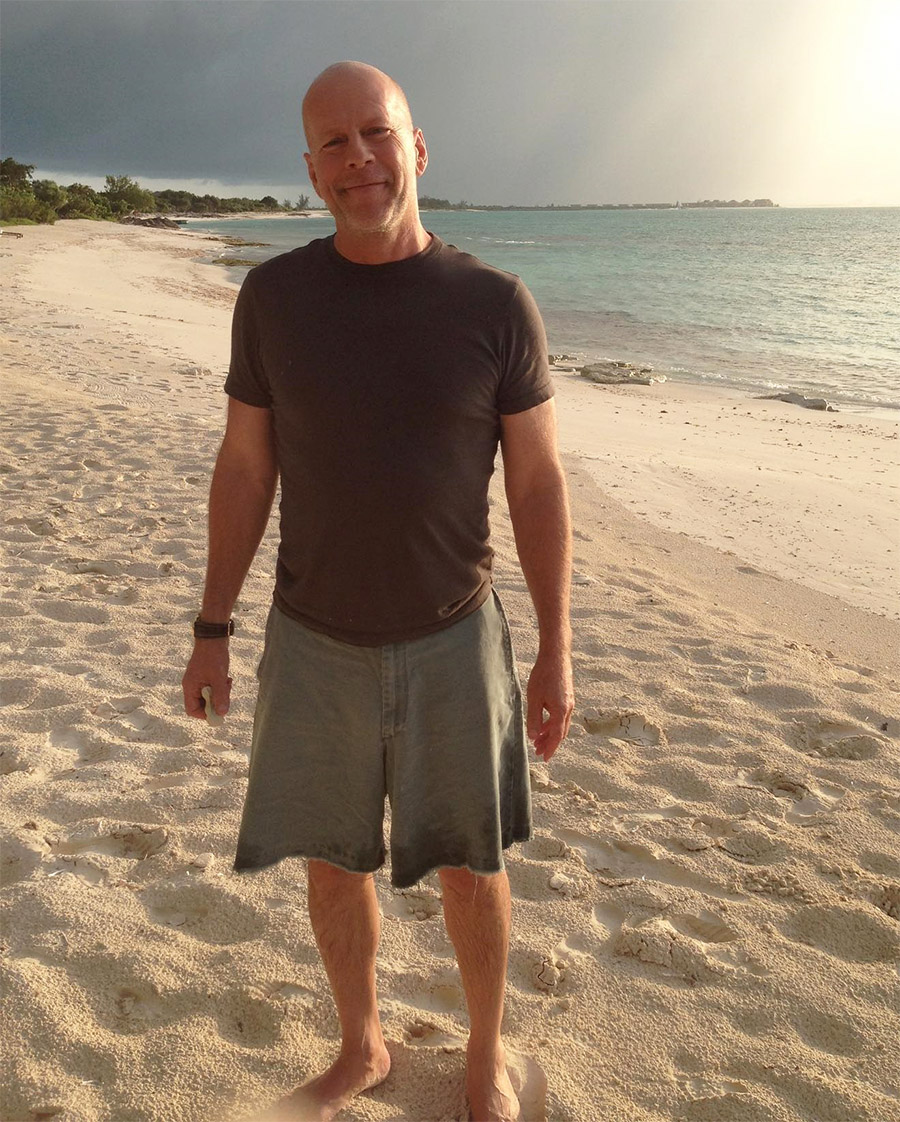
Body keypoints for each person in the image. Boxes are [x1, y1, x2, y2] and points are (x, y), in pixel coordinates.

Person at [182, 61, 573, 1122]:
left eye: (377, 133)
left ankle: (486, 1055)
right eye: (335, 144)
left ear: (418, 148)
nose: (359, 159)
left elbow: (537, 484)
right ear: (312, 172)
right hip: (313, 638)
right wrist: (212, 627)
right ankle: (362, 1047)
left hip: (455, 636)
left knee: (471, 864)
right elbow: (245, 468)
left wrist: (555, 649)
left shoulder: (494, 303)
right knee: (331, 859)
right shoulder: (274, 298)